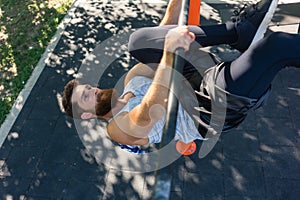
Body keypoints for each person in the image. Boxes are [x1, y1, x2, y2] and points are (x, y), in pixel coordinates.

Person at [62, 0, 299, 146]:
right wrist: (170, 50)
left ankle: (239, 32)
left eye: (88, 88)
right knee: (275, 46)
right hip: (207, 111)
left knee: (138, 42)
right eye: (86, 97)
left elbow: (161, 33)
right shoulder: (116, 129)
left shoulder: (132, 82)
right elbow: (148, 114)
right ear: (86, 116)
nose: (93, 89)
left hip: (198, 78)